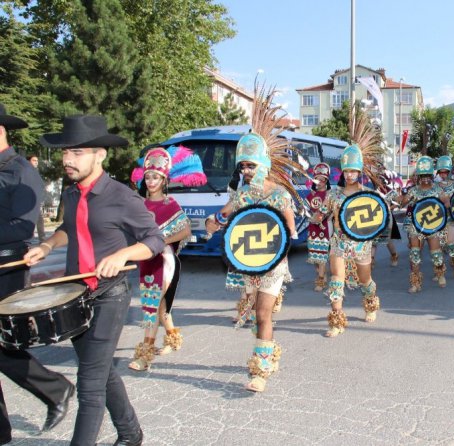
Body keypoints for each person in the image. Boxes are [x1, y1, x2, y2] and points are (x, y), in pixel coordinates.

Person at [25, 114, 164, 446]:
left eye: (77, 153)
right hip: (75, 295)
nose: (68, 160)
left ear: (100, 155)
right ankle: (131, 433)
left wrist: (123, 255)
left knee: (89, 382)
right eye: (64, 153)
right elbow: (69, 229)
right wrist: (46, 245)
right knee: (101, 372)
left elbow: (155, 239)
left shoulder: (122, 197)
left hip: (109, 296)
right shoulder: (72, 194)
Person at [205, 85, 303, 392]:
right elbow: (224, 216)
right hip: (248, 261)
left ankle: (260, 368)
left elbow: (288, 222)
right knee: (252, 311)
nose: (246, 170)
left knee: (262, 314)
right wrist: (213, 222)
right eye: (243, 165)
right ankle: (265, 349)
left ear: (263, 164)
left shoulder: (278, 194)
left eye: (251, 165)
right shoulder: (241, 194)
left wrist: (288, 240)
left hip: (272, 261)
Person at [0, 104, 75, 444]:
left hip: (8, 267)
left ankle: (56, 389)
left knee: (3, 346)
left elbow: (21, 226)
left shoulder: (20, 171)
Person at [312, 107, 385, 337]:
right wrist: (315, 216)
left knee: (366, 280)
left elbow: (377, 220)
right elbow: (321, 214)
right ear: (343, 172)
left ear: (360, 171)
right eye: (347, 171)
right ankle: (336, 320)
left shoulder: (367, 194)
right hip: (339, 243)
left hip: (361, 244)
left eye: (354, 171)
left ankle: (371, 302)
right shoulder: (333, 194)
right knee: (336, 280)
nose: (351, 175)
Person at [127, 146, 201, 371]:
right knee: (159, 307)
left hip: (165, 261)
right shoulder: (139, 205)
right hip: (146, 260)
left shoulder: (171, 205)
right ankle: (173, 337)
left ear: (164, 179)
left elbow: (185, 230)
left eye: (155, 177)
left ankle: (144, 355)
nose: (150, 181)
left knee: (151, 305)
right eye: (148, 177)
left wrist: (162, 240)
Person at [397, 156, 449, 292]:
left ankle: (440, 273)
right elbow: (403, 202)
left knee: (436, 254)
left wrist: (443, 208)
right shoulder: (413, 190)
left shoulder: (438, 189)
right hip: (416, 226)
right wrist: (397, 197)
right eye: (422, 175)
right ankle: (415, 283)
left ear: (431, 175)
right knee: (414, 253)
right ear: (418, 176)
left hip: (433, 226)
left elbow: (446, 203)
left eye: (427, 175)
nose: (425, 178)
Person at [306, 163, 331, 291]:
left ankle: (320, 281)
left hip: (324, 228)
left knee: (322, 254)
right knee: (314, 256)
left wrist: (322, 216)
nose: (320, 182)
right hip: (312, 228)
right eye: (318, 179)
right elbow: (306, 209)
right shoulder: (311, 195)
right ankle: (322, 273)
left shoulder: (329, 195)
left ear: (326, 180)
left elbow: (330, 210)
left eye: (323, 179)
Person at [436, 155, 454, 277]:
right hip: (438, 220)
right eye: (441, 172)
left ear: (449, 171)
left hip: (451, 218)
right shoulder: (435, 186)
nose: (443, 174)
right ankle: (440, 271)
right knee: (438, 246)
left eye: (445, 171)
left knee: (451, 243)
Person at [28, 154, 47, 242]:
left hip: (36, 201)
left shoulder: (36, 172)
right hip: (28, 201)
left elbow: (40, 185)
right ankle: (28, 240)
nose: (36, 162)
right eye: (34, 160)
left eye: (37, 161)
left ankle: (42, 239)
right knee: (29, 221)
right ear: (29, 161)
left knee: (40, 220)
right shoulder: (26, 171)